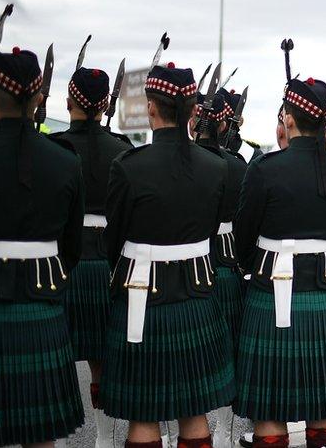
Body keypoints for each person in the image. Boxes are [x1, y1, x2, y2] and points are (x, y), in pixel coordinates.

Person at [100, 60, 233, 447]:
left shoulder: (128, 167)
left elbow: (115, 239)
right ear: (193, 110)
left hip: (142, 294)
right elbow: (209, 232)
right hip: (196, 295)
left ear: (152, 108)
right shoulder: (216, 167)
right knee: (194, 410)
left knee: (145, 411)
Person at [232, 50, 326, 448]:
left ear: (289, 118)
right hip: (321, 297)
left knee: (271, 409)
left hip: (270, 291)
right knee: (323, 406)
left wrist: (259, 264)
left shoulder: (265, 168)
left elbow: (241, 239)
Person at [0, 28, 86, 447]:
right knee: (40, 433)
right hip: (43, 299)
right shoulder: (64, 161)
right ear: (39, 99)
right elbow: (72, 247)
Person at [51, 58, 133, 447]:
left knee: (57, 359)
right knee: (102, 360)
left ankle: (61, 440)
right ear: (105, 106)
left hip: (62, 265)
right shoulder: (122, 149)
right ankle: (102, 440)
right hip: (105, 264)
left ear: (70, 101)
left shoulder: (56, 147)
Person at [192, 88, 251, 446]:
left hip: (186, 264)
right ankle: (225, 436)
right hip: (227, 262)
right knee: (228, 354)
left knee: (187, 358)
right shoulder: (239, 165)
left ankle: (176, 436)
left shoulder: (184, 160)